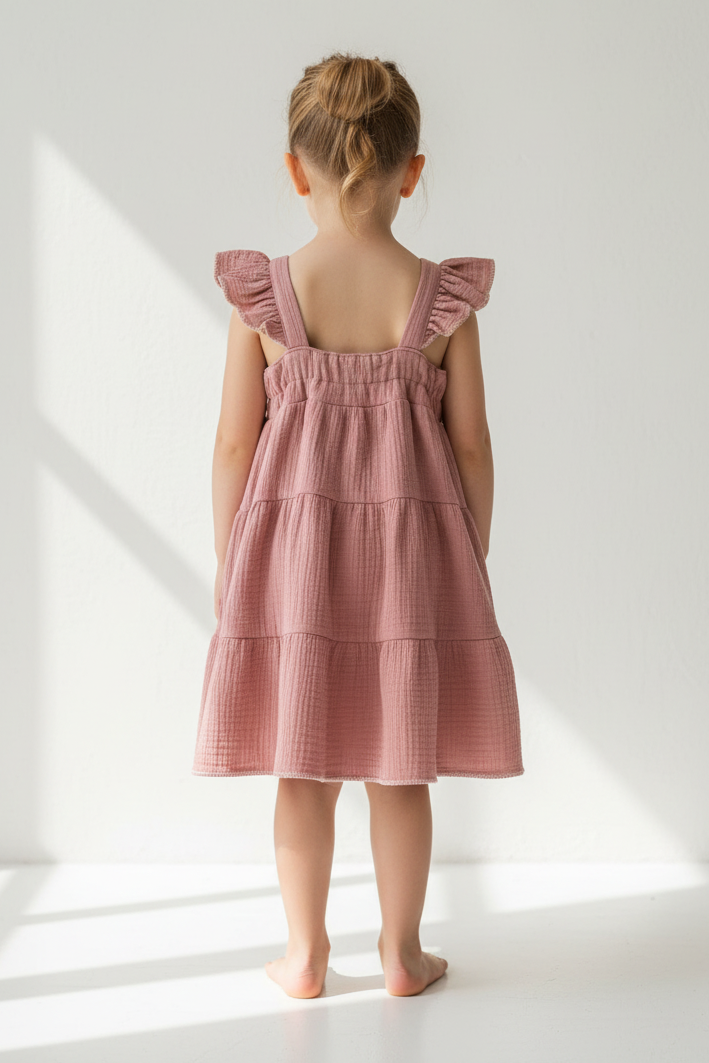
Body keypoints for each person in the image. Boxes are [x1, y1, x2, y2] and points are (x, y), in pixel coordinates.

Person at [192, 51, 524, 1000]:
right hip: (411, 570)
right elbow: (471, 450)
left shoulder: (264, 298)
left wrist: (233, 569)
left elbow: (230, 447)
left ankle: (303, 956)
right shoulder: (440, 302)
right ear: (412, 170)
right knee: (399, 767)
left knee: (302, 769)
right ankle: (402, 953)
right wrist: (470, 555)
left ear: (293, 169)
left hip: (290, 570)